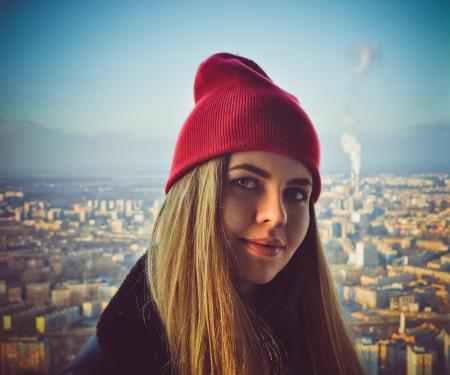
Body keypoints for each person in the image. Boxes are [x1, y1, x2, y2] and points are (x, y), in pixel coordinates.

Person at [61, 52, 364, 375]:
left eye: (296, 194)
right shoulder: (109, 365)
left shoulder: (317, 342)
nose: (277, 215)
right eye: (245, 182)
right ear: (194, 199)